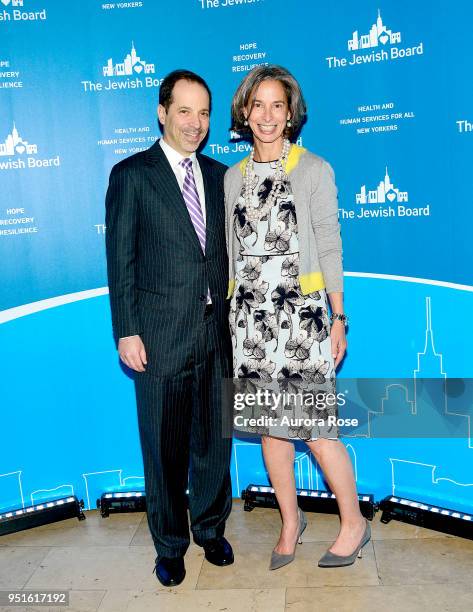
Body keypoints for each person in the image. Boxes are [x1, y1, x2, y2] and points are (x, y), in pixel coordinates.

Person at [225, 65, 370, 569]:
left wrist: (339, 317)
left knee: (316, 430)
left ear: (291, 114)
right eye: (258, 105)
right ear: (245, 112)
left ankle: (354, 523)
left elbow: (330, 245)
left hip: (303, 321)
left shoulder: (314, 170)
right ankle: (291, 520)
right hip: (249, 323)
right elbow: (229, 254)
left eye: (277, 106)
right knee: (270, 428)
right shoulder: (230, 178)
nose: (267, 116)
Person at [105, 70, 234, 587]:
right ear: (162, 112)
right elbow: (121, 261)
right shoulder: (132, 174)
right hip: (158, 335)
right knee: (163, 447)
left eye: (204, 113)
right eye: (185, 111)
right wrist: (127, 330)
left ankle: (209, 528)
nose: (195, 123)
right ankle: (170, 544)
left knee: (213, 441)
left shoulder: (222, 175)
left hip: (216, 334)